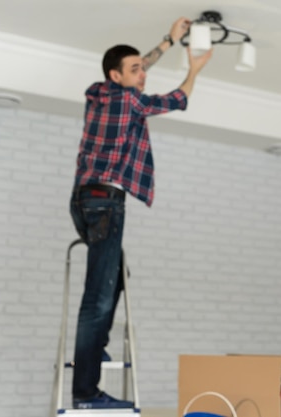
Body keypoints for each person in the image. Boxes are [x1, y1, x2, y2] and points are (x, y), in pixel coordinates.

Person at [69, 17, 213, 409]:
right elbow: (177, 100)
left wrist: (169, 40)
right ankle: (85, 392)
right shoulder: (128, 99)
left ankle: (93, 350)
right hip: (105, 202)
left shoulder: (98, 91)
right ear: (117, 75)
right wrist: (193, 69)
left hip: (83, 199)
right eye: (135, 70)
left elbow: (139, 65)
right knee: (97, 299)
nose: (143, 73)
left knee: (114, 276)